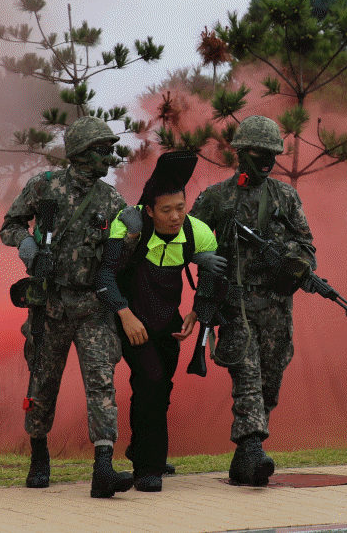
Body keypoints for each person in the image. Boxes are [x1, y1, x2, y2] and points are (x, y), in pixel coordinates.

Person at [0, 116, 134, 498]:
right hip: (51, 303)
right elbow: (10, 225)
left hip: (93, 305)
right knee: (42, 383)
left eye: (110, 149)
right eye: (100, 149)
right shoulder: (45, 186)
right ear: (79, 152)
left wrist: (132, 235)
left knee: (101, 384)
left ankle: (104, 466)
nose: (108, 156)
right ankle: (39, 455)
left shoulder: (112, 200)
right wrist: (27, 247)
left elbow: (121, 260)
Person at [188, 115, 316, 487]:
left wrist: (287, 256)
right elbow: (184, 238)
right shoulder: (215, 198)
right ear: (242, 152)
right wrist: (201, 257)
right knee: (247, 376)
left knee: (269, 382)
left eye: (272, 154)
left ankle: (245, 458)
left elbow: (308, 246)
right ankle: (253, 449)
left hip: (276, 307)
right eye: (260, 153)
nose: (267, 160)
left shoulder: (285, 196)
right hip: (235, 306)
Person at [94, 150, 226, 493]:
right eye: (166, 210)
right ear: (149, 210)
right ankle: (148, 469)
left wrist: (196, 313)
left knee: (161, 386)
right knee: (150, 380)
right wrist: (124, 316)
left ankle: (142, 450)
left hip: (167, 319)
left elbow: (210, 279)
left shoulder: (198, 233)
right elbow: (104, 274)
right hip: (131, 317)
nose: (175, 216)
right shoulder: (129, 226)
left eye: (181, 208)